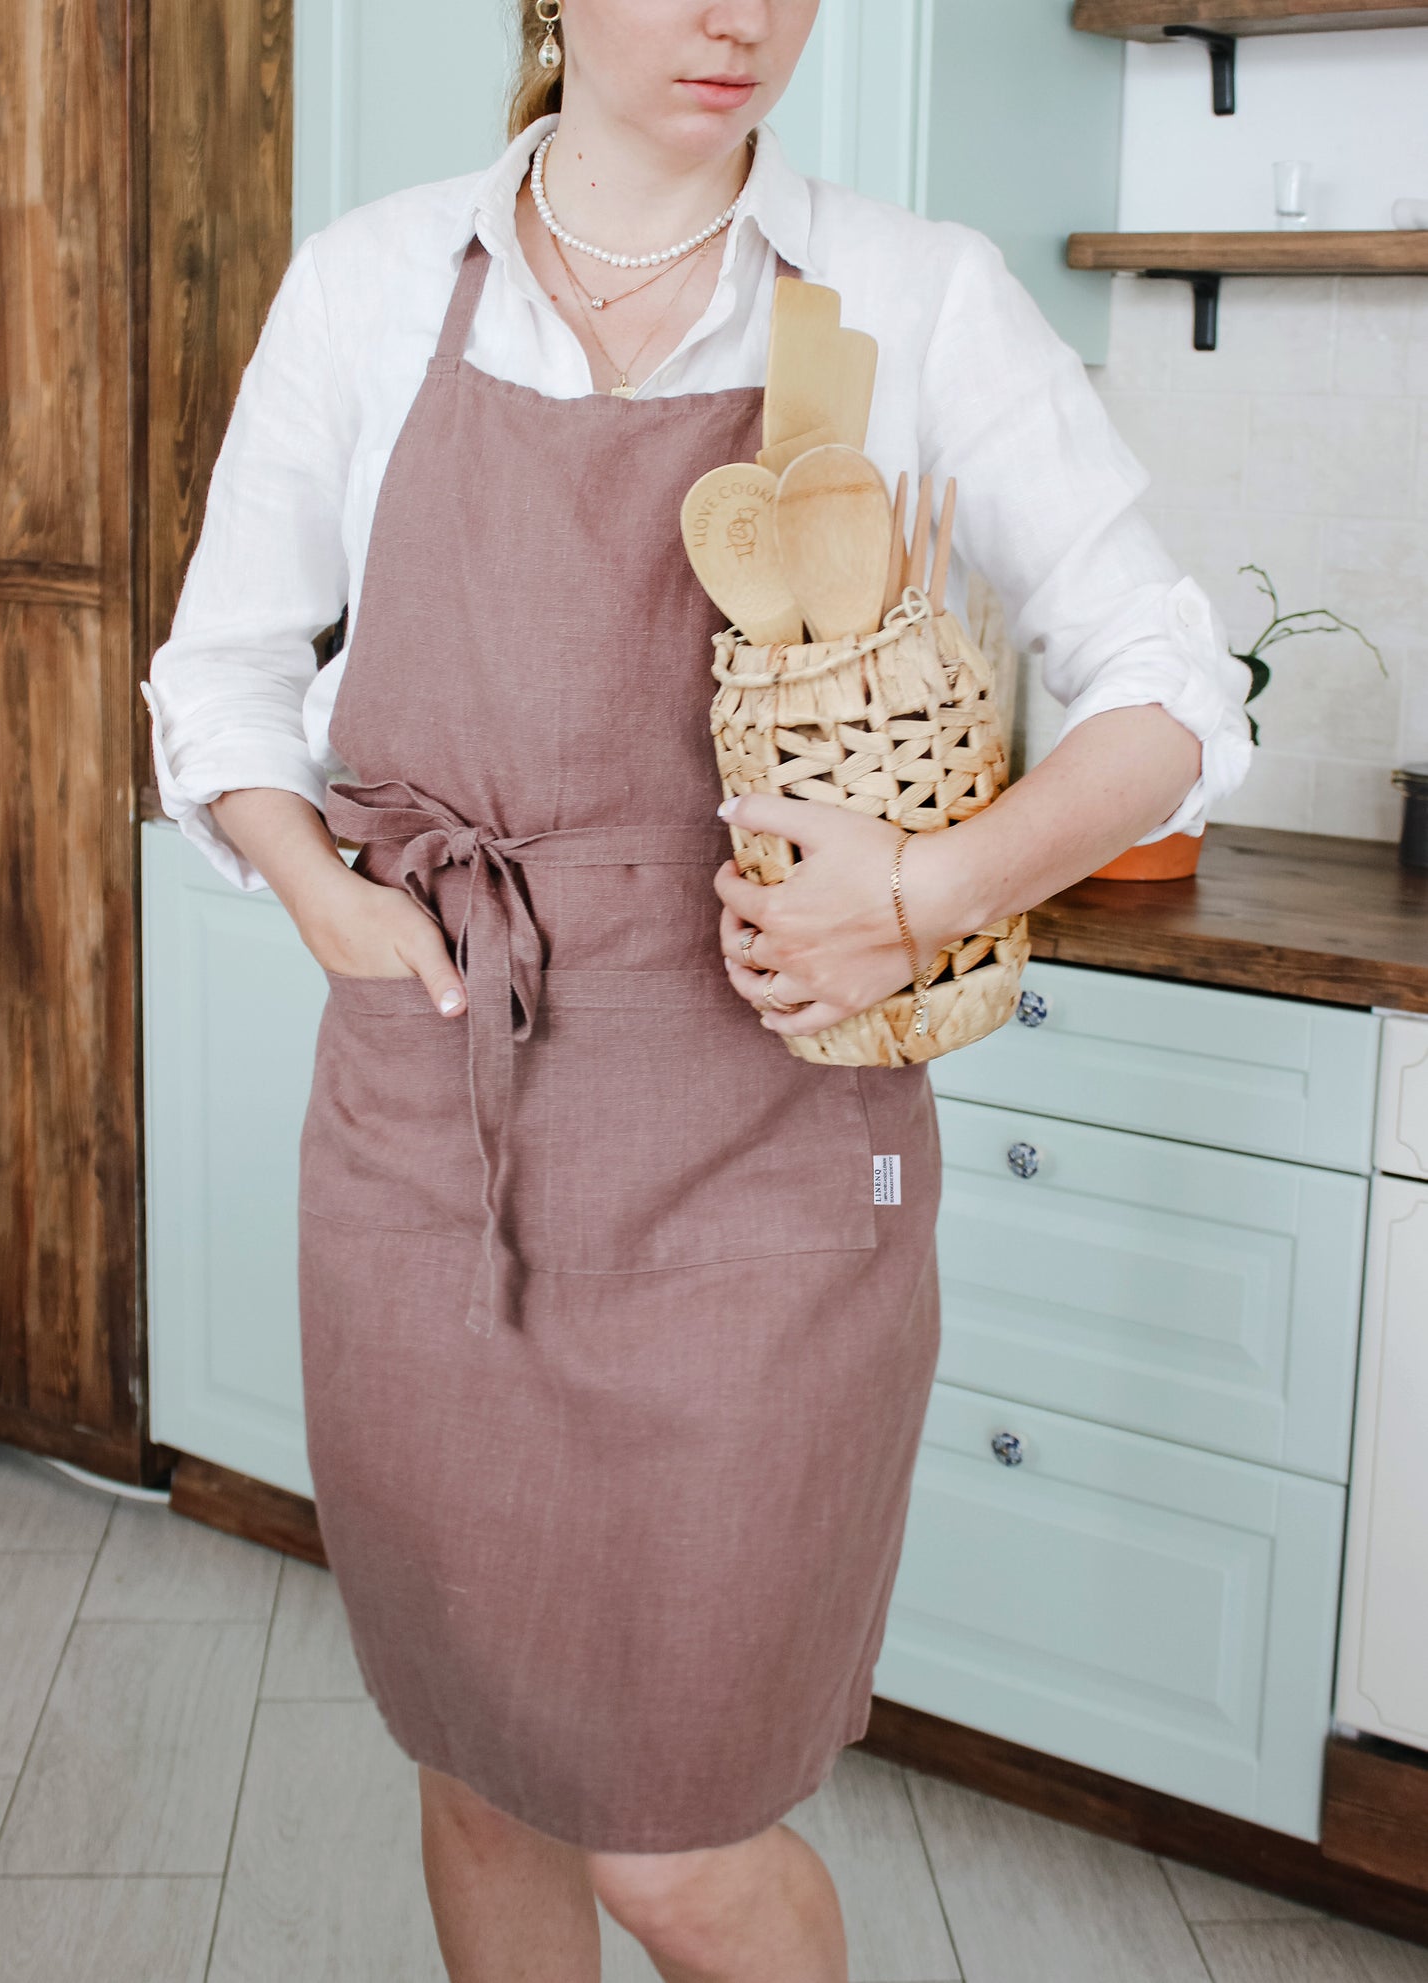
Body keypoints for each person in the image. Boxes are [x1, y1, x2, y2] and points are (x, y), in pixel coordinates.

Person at [141, 1, 1253, 1975]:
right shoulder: (380, 285)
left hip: (759, 1161)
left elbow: (1171, 686)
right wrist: (319, 890)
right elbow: (219, 678)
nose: (739, 17)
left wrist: (924, 886)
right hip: (429, 1146)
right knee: (474, 1761)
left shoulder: (898, 300)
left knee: (675, 1838)